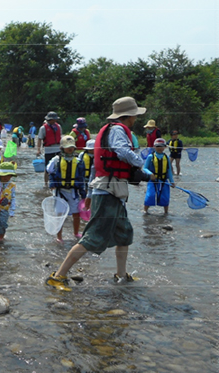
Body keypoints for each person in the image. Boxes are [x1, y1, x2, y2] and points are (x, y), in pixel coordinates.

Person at [45, 96, 155, 291]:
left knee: (124, 234)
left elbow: (98, 166)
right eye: (135, 115)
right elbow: (122, 152)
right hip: (108, 192)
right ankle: (58, 276)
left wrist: (88, 192)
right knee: (92, 238)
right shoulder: (119, 130)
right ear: (128, 116)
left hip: (111, 190)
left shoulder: (108, 131)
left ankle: (121, 275)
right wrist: (142, 165)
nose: (136, 119)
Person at [47, 136, 86, 243]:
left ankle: (76, 233)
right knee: (60, 214)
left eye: (72, 147)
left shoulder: (78, 161)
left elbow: (81, 178)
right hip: (60, 191)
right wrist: (52, 183)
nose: (69, 149)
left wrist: (83, 194)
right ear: (62, 148)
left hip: (73, 192)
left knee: (76, 214)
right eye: (67, 147)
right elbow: (50, 170)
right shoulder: (56, 160)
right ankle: (59, 236)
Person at [144, 138, 175, 214]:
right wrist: (151, 174)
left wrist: (172, 181)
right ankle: (145, 211)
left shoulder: (166, 157)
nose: (160, 148)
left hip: (164, 181)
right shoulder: (150, 157)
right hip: (153, 181)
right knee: (150, 196)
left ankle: (166, 213)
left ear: (165, 147)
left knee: (165, 197)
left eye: (162, 146)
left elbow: (169, 171)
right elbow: (145, 168)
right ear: (154, 147)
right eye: (158, 146)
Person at [36, 112, 62, 187]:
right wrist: (38, 150)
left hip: (58, 149)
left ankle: (58, 182)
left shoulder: (58, 126)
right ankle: (46, 184)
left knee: (58, 167)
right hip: (48, 150)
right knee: (47, 168)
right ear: (49, 119)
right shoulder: (43, 128)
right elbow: (39, 139)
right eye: (53, 119)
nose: (55, 121)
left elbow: (60, 137)